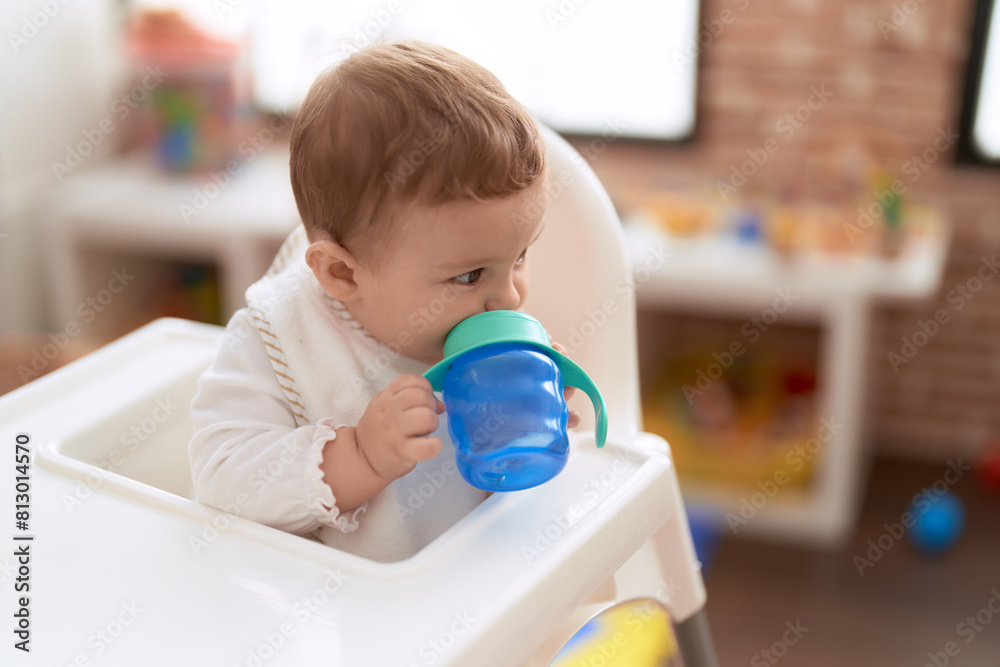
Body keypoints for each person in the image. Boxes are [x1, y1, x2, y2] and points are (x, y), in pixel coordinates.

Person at [188, 40, 579, 562]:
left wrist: (533, 412)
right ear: (343, 273)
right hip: (334, 616)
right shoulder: (280, 340)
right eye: (468, 276)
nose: (507, 297)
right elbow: (221, 481)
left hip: (475, 586)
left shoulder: (469, 312)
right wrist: (360, 457)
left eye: (521, 256)